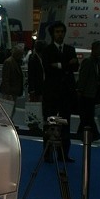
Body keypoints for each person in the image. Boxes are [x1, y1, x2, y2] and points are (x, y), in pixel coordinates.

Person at [42, 21, 78, 161]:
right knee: (50, 123)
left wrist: (58, 65)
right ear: (52, 34)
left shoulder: (70, 49)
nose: (60, 34)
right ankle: (48, 154)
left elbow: (75, 67)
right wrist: (67, 65)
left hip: (66, 94)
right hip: (51, 93)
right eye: (57, 32)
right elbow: (48, 68)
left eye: (62, 31)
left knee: (65, 124)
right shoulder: (47, 50)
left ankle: (63, 154)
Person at [76, 40, 100, 141]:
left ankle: (81, 133)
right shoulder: (88, 62)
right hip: (87, 94)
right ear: (95, 49)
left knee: (86, 116)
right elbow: (83, 77)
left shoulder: (96, 62)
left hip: (92, 94)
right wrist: (80, 91)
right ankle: (94, 134)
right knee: (88, 116)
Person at [0, 46, 24, 116]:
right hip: (10, 92)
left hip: (13, 91)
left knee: (11, 109)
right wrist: (8, 93)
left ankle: (9, 121)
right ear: (17, 54)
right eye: (21, 54)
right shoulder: (8, 62)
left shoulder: (14, 62)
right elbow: (5, 78)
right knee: (8, 110)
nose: (22, 56)